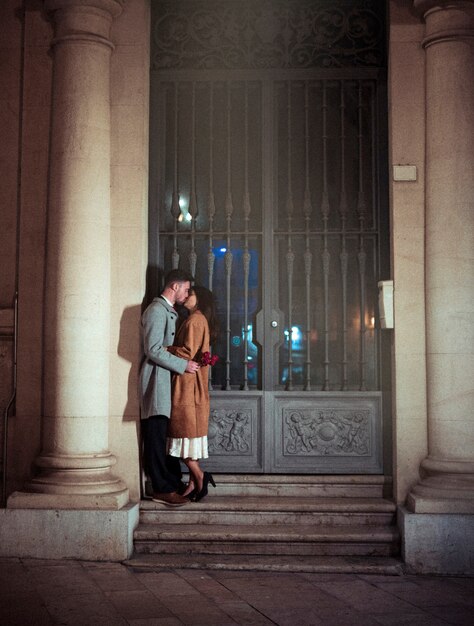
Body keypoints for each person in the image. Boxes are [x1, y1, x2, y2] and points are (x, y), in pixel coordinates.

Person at [139, 269, 200, 506]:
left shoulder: (168, 311)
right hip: (155, 382)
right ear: (174, 287)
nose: (186, 294)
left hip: (165, 382)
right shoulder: (156, 310)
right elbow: (153, 349)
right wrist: (183, 365)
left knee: (163, 436)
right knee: (155, 437)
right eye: (185, 289)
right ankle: (161, 489)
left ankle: (171, 484)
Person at [167, 286, 219, 502]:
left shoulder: (196, 320)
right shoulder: (196, 319)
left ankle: (199, 475)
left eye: (191, 293)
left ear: (200, 299)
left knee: (183, 433)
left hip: (188, 383)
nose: (186, 296)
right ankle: (194, 483)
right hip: (190, 382)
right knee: (187, 433)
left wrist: (165, 348)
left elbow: (188, 352)